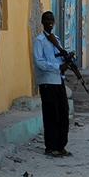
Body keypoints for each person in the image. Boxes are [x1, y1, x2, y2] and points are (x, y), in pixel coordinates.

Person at [33, 11, 71, 157]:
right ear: (42, 22)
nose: (49, 22)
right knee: (51, 115)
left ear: (54, 22)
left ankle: (61, 146)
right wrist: (58, 67)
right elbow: (39, 62)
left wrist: (66, 62)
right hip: (47, 82)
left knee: (63, 113)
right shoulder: (39, 40)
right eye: (47, 20)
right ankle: (51, 146)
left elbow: (59, 58)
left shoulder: (56, 40)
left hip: (58, 81)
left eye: (51, 20)